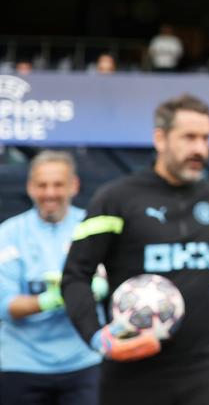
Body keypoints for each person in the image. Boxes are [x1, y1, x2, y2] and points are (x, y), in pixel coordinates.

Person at [61, 94, 209, 405]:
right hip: (131, 371)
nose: (200, 148)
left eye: (206, 138)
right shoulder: (115, 198)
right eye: (189, 137)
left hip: (200, 371)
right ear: (160, 138)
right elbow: (76, 276)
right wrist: (97, 337)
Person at [0, 151, 105, 405]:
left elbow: (110, 277)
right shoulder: (9, 233)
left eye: (58, 184)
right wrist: (55, 298)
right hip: (22, 364)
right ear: (29, 187)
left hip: (84, 360)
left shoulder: (93, 226)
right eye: (42, 185)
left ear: (74, 185)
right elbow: (5, 305)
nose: (50, 193)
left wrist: (103, 285)